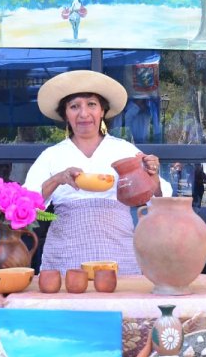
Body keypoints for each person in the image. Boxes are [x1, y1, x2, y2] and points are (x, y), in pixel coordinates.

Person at [23, 70, 170, 274]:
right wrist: (57, 179)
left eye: (91, 104)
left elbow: (161, 201)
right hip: (65, 256)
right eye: (74, 106)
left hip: (119, 254)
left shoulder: (124, 150)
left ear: (102, 111)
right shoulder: (52, 155)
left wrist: (153, 177)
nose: (84, 114)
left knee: (122, 294)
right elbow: (26, 203)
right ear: (65, 114)